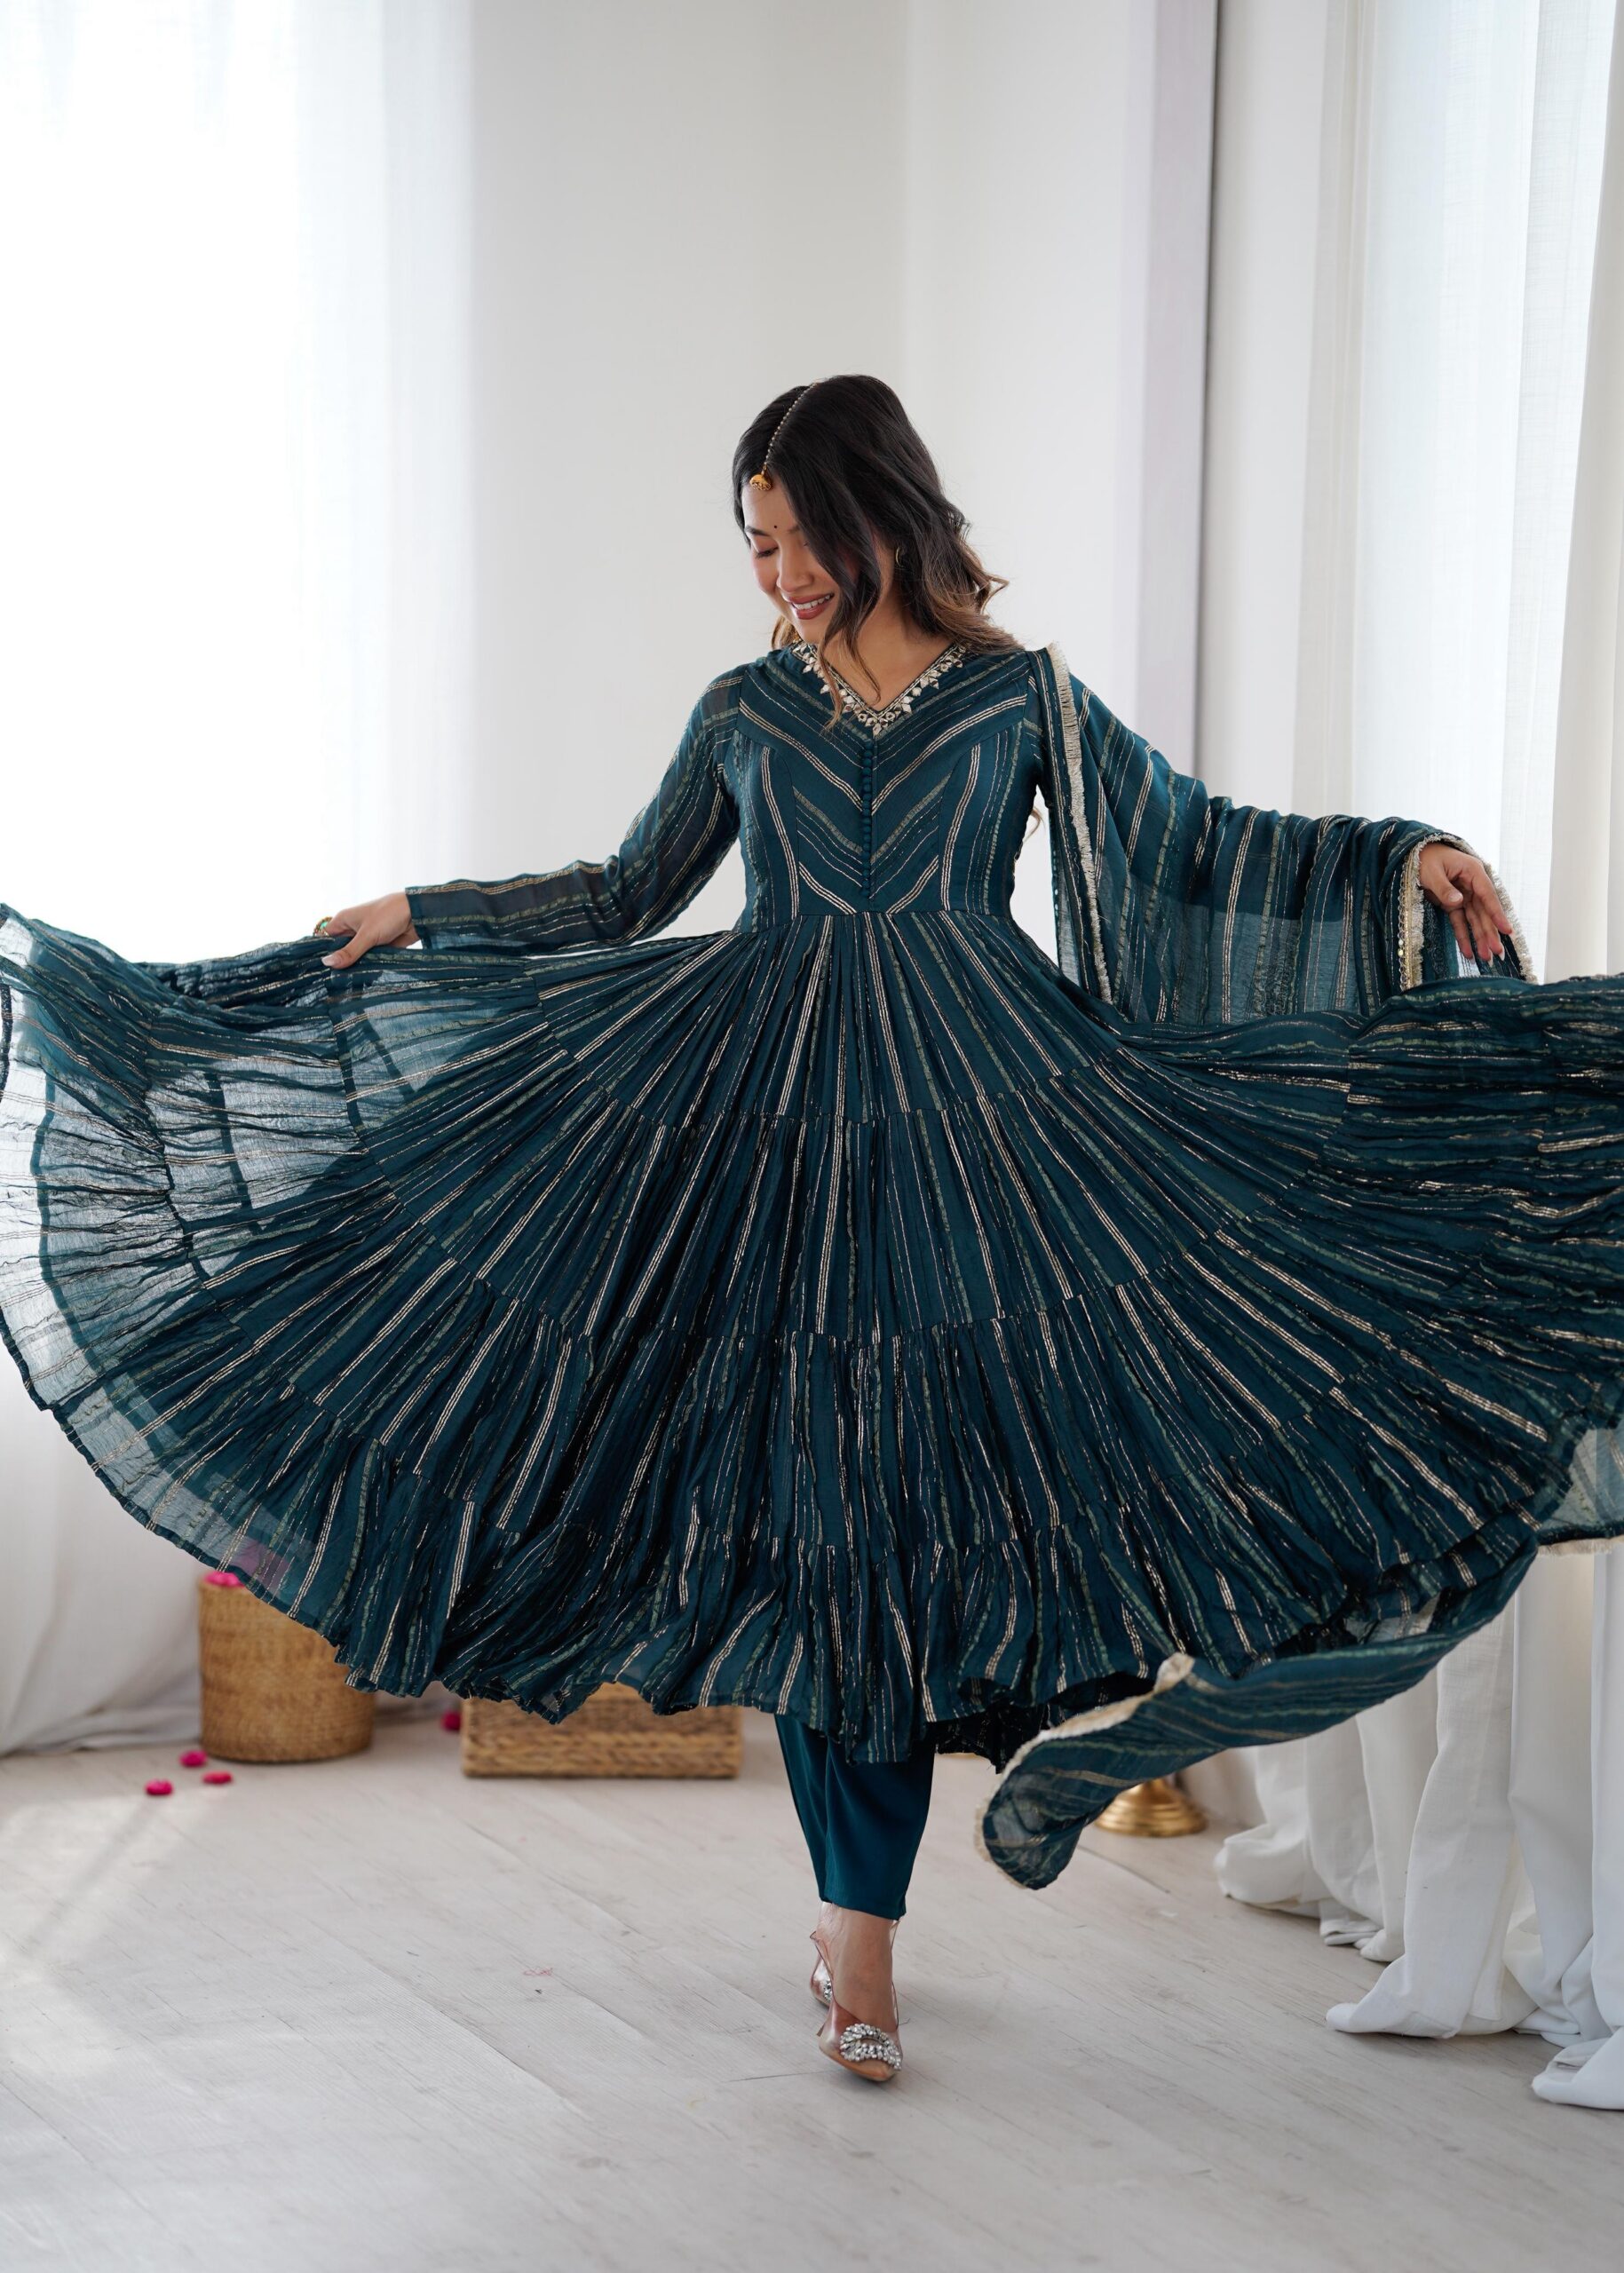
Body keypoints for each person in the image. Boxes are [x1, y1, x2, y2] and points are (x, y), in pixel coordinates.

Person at [2, 373, 1620, 2091]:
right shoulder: (741, 710)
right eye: (753, 547)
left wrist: (1399, 858)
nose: (774, 575)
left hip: (987, 1134)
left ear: (876, 516)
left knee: (936, 1522)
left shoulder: (1020, 698)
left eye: (791, 538)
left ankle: (919, 1864)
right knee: (824, 1530)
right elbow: (625, 893)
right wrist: (426, 912)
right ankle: (860, 1941)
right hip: (762, 1139)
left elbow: (1194, 845)